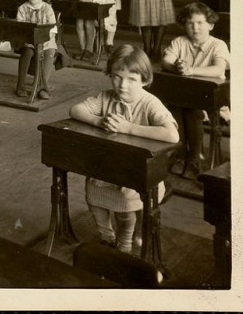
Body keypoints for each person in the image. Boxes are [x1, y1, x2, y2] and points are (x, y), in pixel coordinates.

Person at [70, 45, 179, 252]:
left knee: (124, 208)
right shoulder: (106, 97)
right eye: (117, 77)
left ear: (145, 81)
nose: (123, 85)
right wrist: (98, 120)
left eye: (132, 79)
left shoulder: (149, 103)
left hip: (139, 173)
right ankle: (106, 236)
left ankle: (125, 242)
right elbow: (75, 109)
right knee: (94, 198)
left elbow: (172, 134)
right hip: (107, 168)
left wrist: (128, 128)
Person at [161, 2, 230, 180]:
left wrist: (192, 70)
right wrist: (176, 66)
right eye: (190, 23)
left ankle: (194, 159)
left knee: (192, 112)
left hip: (212, 102)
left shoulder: (218, 45)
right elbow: (166, 61)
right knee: (174, 110)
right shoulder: (179, 42)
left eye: (200, 23)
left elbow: (217, 69)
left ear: (211, 25)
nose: (195, 27)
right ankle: (181, 154)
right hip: (183, 97)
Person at [15, 0, 57, 99]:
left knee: (50, 52)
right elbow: (21, 27)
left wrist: (45, 39)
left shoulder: (47, 8)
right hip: (28, 40)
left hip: (46, 40)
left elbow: (52, 28)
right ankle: (20, 85)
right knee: (27, 51)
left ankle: (42, 86)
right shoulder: (22, 9)